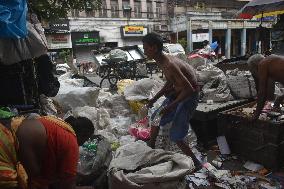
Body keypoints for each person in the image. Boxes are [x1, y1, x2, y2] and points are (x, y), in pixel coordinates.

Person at [142, 33, 201, 169]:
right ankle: (151, 145)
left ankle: (196, 163)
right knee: (156, 116)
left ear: (154, 48)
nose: (144, 52)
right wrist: (155, 98)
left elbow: (189, 89)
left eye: (146, 49)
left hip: (189, 96)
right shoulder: (160, 60)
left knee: (176, 135)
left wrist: (171, 106)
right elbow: (170, 81)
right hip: (178, 92)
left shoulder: (169, 64)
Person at [0, 115, 94, 189]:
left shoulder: (57, 124)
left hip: (5, 132)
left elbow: (59, 171)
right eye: (86, 139)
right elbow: (66, 186)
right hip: (6, 147)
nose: (82, 145)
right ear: (83, 134)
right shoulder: (71, 142)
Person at [247, 54, 284, 119]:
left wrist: (256, 115)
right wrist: (279, 99)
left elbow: (262, 93)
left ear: (255, 66)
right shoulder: (272, 62)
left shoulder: (263, 64)